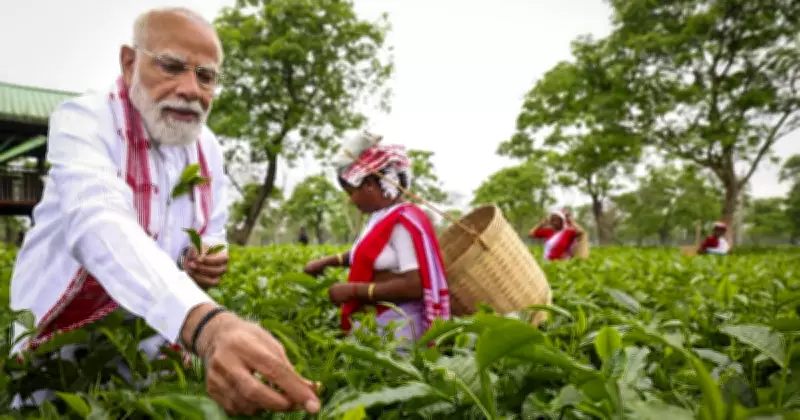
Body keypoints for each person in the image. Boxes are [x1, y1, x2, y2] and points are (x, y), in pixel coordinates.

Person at [8, 8, 319, 416]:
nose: (191, 89)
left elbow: (213, 227)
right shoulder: (86, 120)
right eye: (172, 66)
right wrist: (207, 326)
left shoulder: (206, 147)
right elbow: (98, 220)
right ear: (129, 62)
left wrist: (210, 255)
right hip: (64, 345)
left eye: (206, 76)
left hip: (156, 341)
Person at [303, 132, 450, 346]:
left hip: (401, 329)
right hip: (381, 323)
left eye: (352, 192)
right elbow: (369, 253)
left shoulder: (402, 222)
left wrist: (353, 290)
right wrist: (327, 262)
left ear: (370, 184)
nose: (351, 201)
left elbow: (415, 285)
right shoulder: (380, 216)